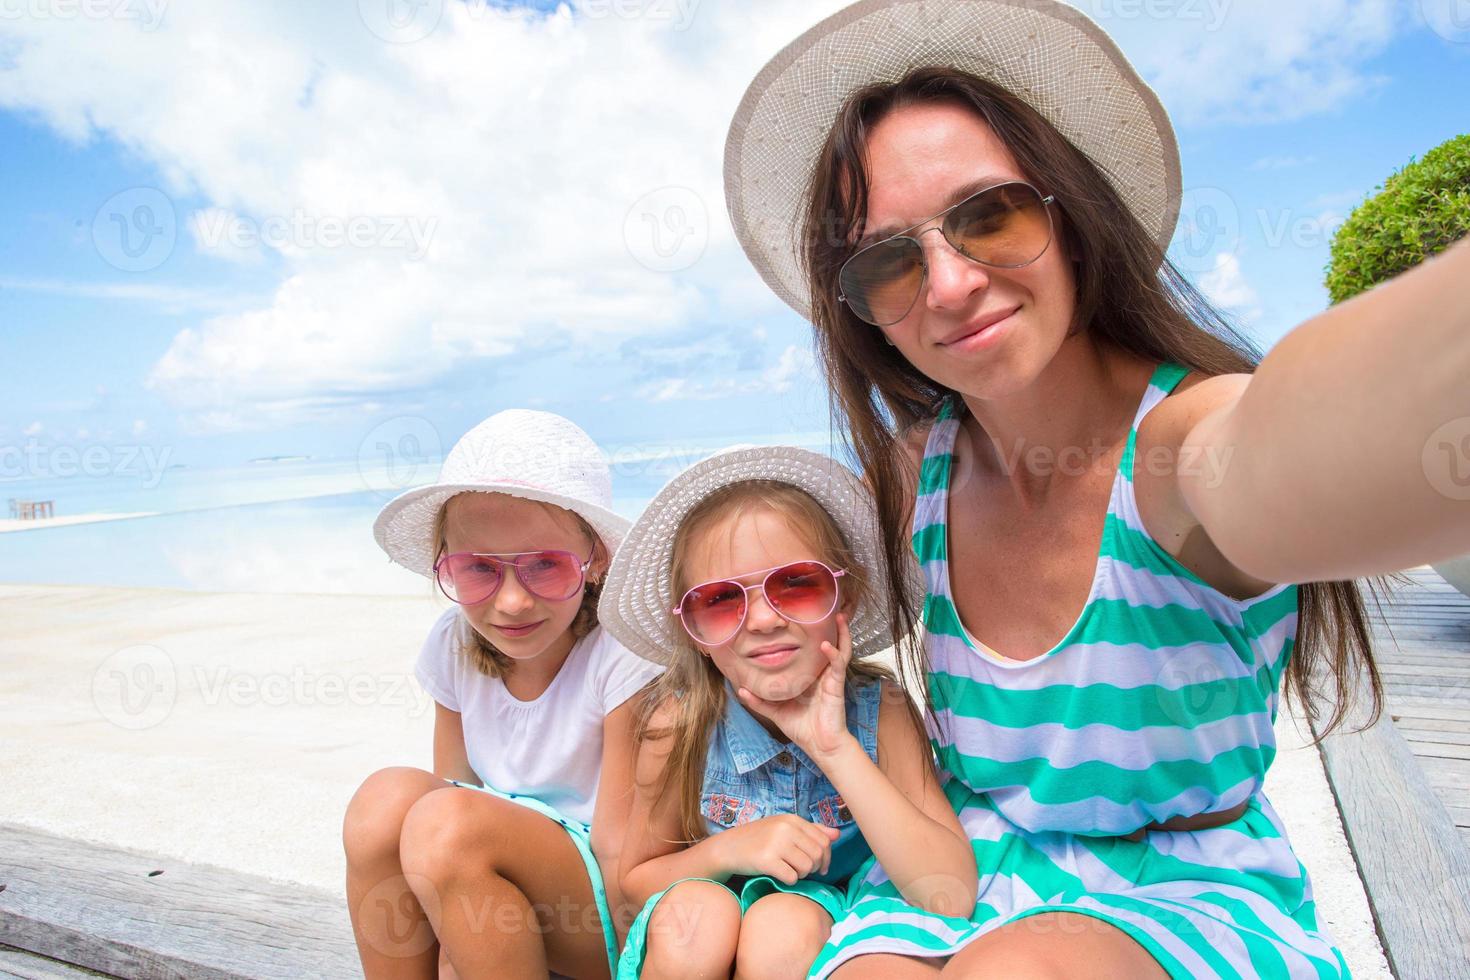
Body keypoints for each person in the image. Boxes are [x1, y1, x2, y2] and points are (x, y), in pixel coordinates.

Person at [723, 0, 1469, 976]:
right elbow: (733, 579)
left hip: (1188, 890)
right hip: (966, 865)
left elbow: (1311, 430)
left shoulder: (1177, 447)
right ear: (867, 316)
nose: (949, 284)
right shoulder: (918, 473)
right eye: (888, 260)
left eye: (988, 215)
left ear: (1070, 217)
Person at [597, 446, 975, 978]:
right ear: (694, 631)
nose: (762, 621)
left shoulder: (880, 712)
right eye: (721, 600)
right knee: (695, 918)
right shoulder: (678, 726)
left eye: (796, 584)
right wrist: (730, 850)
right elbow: (635, 880)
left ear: (844, 597)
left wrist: (835, 748)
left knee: (784, 923)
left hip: (817, 930)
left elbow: (948, 893)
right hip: (700, 924)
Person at [342, 409, 662, 979]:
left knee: (446, 821)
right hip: (492, 881)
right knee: (383, 801)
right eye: (478, 569)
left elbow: (621, 858)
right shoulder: (453, 641)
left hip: (609, 912)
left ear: (596, 561)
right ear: (446, 565)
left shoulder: (621, 650)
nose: (512, 602)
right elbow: (451, 788)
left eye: (545, 565)